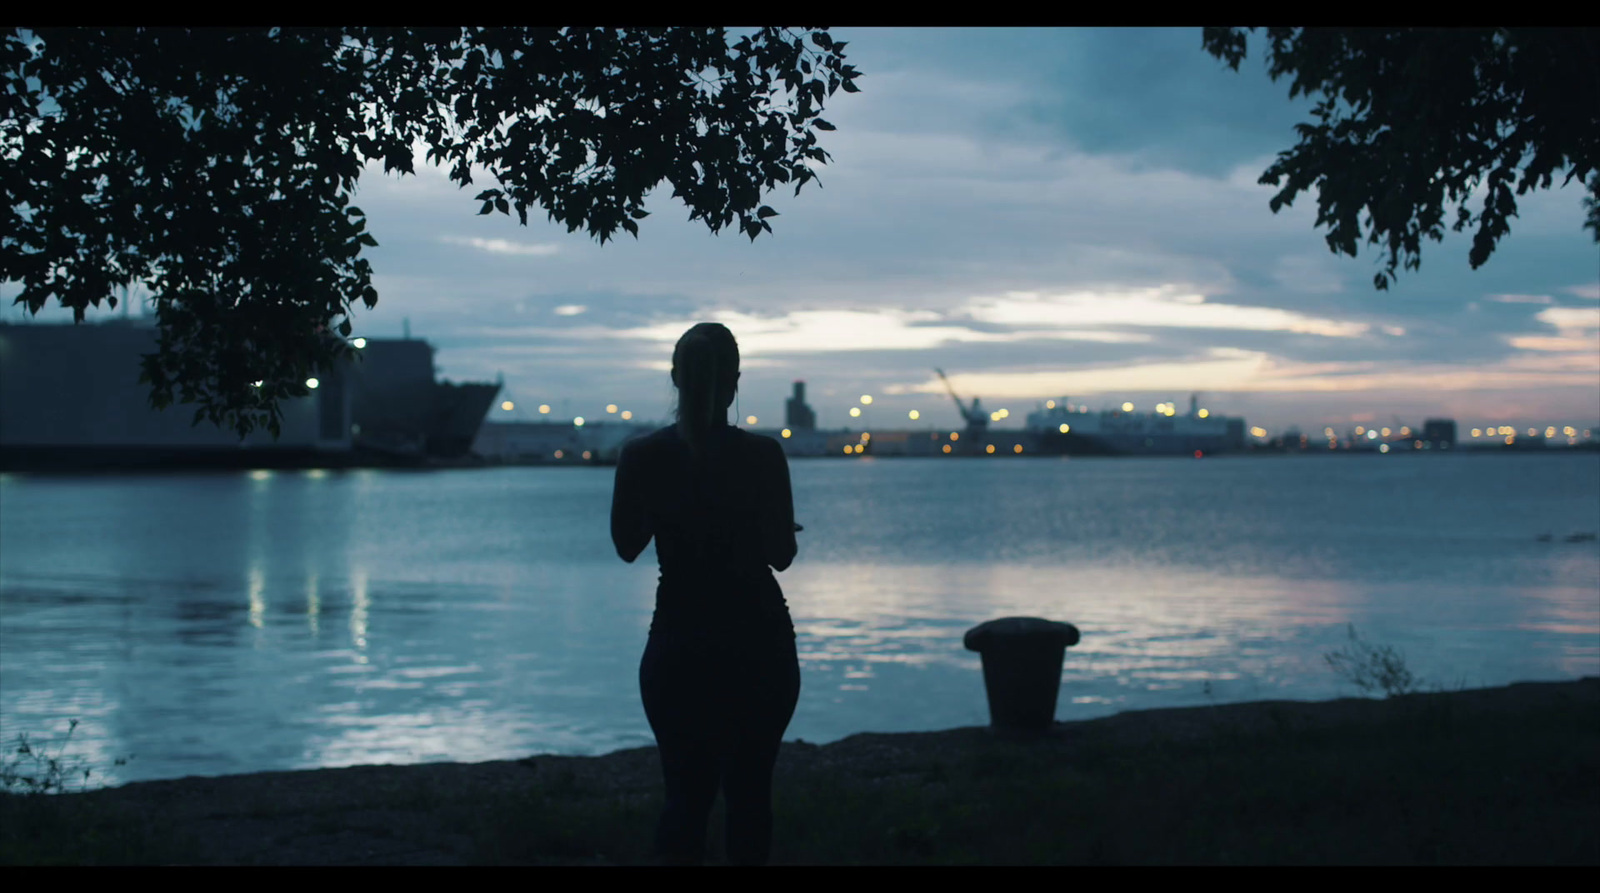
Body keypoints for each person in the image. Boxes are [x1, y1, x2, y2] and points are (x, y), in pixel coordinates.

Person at [610, 321, 802, 866]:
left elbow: (627, 545)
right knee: (750, 800)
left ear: (675, 378)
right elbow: (780, 556)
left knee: (685, 802)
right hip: (758, 643)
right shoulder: (763, 456)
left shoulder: (641, 456)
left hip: (680, 645)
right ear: (735, 383)